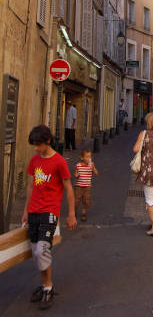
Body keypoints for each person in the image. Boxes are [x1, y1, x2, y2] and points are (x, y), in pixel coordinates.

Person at [21, 125, 77, 310]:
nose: (36, 148)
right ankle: (47, 285)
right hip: (34, 211)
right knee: (36, 252)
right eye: (34, 145)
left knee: (42, 250)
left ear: (48, 141)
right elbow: (31, 186)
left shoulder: (59, 162)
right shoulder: (35, 160)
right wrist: (25, 211)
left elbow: (68, 187)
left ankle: (48, 287)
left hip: (50, 211)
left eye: (38, 144)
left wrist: (71, 214)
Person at [74, 149, 99, 222]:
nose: (89, 158)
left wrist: (93, 168)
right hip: (78, 186)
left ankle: (83, 213)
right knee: (76, 201)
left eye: (90, 157)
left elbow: (97, 173)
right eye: (87, 157)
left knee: (86, 200)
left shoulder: (91, 165)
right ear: (82, 158)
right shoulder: (78, 165)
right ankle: (74, 211)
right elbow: (75, 174)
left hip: (87, 187)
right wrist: (76, 175)